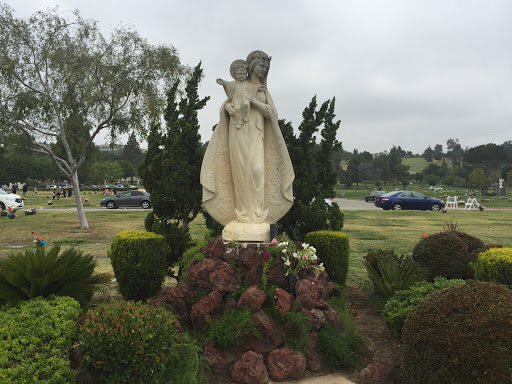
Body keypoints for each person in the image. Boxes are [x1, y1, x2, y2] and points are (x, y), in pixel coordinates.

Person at [201, 50, 294, 229]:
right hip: (238, 132)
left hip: (257, 133)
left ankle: (257, 210)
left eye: (267, 67)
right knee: (240, 171)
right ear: (252, 67)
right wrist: (228, 108)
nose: (264, 69)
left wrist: (256, 103)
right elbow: (228, 103)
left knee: (257, 170)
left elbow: (272, 113)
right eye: (262, 65)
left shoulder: (262, 89)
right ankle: (243, 210)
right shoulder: (238, 85)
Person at [216, 59, 251, 129]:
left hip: (246, 98)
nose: (242, 75)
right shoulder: (234, 83)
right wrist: (223, 83)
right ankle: (238, 122)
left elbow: (254, 88)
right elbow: (228, 84)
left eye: (244, 74)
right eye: (239, 74)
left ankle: (246, 116)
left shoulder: (248, 83)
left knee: (246, 104)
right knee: (237, 109)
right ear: (236, 75)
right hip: (236, 99)